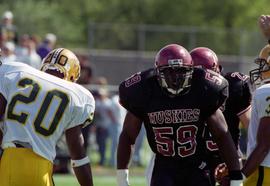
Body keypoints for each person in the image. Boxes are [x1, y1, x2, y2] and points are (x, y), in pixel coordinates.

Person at [116, 43, 243, 186]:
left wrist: (236, 176)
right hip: (164, 166)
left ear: (192, 70)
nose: (175, 78)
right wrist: (122, 177)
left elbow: (222, 135)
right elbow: (128, 135)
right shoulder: (143, 91)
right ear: (157, 72)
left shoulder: (204, 88)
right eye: (169, 72)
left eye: (181, 71)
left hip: (197, 165)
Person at [0, 48, 95, 186]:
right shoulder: (77, 95)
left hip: (9, 160)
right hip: (41, 166)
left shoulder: (16, 70)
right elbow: (78, 155)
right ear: (73, 76)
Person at [190, 47, 252, 185]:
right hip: (197, 161)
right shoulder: (184, 91)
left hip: (229, 160)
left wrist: (244, 162)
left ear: (216, 69)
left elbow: (253, 129)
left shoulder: (234, 86)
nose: (202, 81)